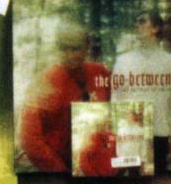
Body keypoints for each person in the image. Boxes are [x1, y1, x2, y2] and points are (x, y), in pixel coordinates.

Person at [18, 22, 111, 172]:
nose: (69, 55)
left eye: (75, 49)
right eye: (63, 48)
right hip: (57, 167)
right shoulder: (44, 81)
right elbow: (29, 138)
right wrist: (60, 172)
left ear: (87, 46)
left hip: (93, 165)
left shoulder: (100, 72)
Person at [111, 11, 171, 172]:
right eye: (136, 22)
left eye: (142, 21)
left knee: (159, 180)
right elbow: (116, 97)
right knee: (129, 178)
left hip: (159, 131)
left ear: (155, 28)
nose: (136, 25)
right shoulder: (123, 61)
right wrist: (116, 131)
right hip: (130, 135)